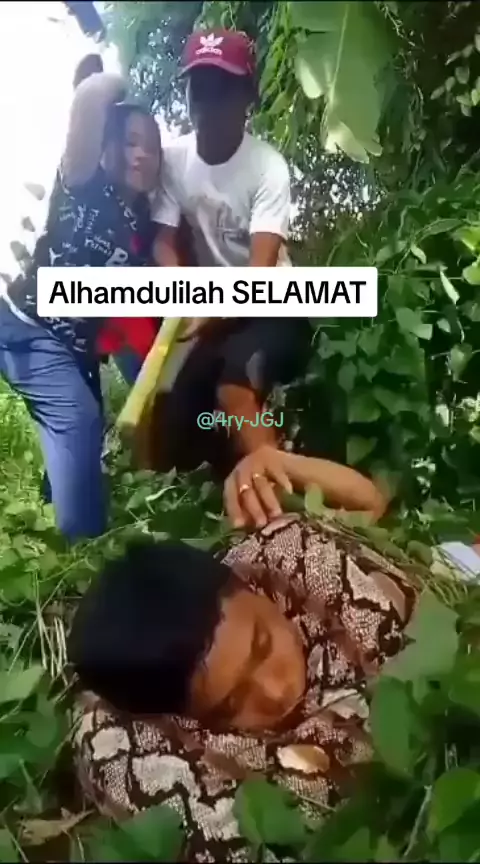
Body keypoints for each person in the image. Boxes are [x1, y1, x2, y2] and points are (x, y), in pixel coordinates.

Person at [68, 450, 418, 861]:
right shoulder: (146, 759)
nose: (275, 690)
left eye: (263, 645)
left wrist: (276, 460)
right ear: (184, 718)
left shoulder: (291, 557)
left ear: (248, 584)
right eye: (232, 704)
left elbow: (370, 502)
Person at [0, 61, 161, 542]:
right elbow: (90, 98)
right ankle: (85, 549)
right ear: (105, 146)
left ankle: (56, 497)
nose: (142, 155)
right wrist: (117, 83)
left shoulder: (144, 221)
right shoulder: (83, 181)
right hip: (27, 326)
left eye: (152, 148)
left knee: (87, 423)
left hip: (76, 349)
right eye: (130, 142)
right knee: (78, 416)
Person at [148, 29, 311, 479]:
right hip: (212, 307)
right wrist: (180, 289)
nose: (207, 102)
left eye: (222, 88)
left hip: (272, 304)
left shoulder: (267, 168)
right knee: (176, 424)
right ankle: (231, 478)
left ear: (247, 98)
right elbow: (163, 241)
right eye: (198, 88)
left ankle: (285, 500)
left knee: (233, 388)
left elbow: (259, 274)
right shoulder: (173, 160)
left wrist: (207, 309)